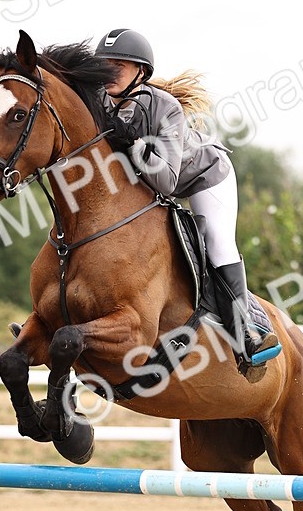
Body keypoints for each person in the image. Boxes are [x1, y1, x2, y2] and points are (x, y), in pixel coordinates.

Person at [94, 27, 280, 379]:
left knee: (219, 245)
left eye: (121, 64)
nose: (111, 71)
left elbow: (167, 180)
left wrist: (132, 143)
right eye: (105, 65)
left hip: (205, 177)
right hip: (151, 186)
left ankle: (249, 335)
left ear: (141, 72)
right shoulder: (99, 103)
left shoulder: (165, 107)